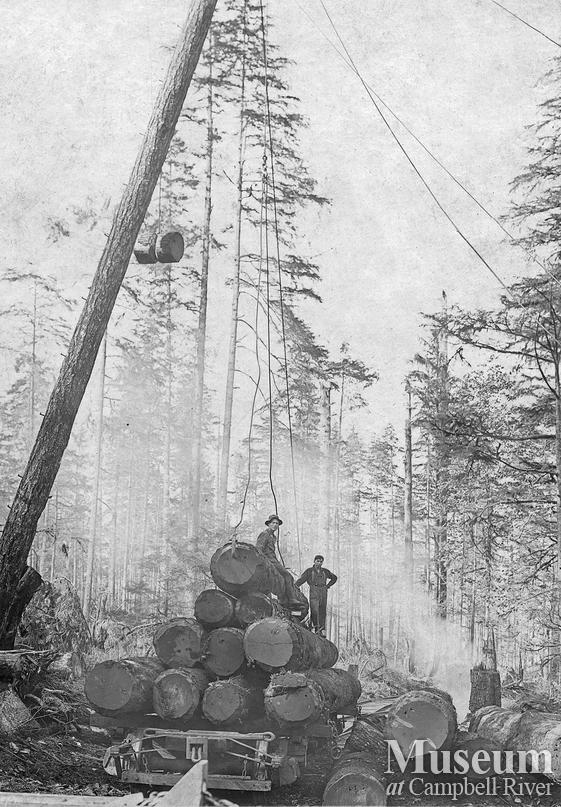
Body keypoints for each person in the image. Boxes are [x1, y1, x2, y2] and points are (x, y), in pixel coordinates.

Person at [256, 515, 306, 612]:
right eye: (273, 523)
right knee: (287, 576)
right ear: (269, 524)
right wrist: (264, 563)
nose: (275, 525)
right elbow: (259, 549)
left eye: (277, 524)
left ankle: (283, 600)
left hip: (273, 560)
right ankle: (291, 599)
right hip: (269, 561)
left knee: (283, 578)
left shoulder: (273, 536)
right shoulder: (264, 534)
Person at [295, 555, 337, 635]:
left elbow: (334, 578)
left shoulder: (325, 571)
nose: (319, 563)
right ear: (314, 561)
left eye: (321, 561)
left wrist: (328, 586)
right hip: (314, 590)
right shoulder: (309, 571)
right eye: (318, 561)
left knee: (322, 610)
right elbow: (302, 580)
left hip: (323, 591)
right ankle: (316, 627)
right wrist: (295, 586)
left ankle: (321, 629)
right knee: (314, 610)